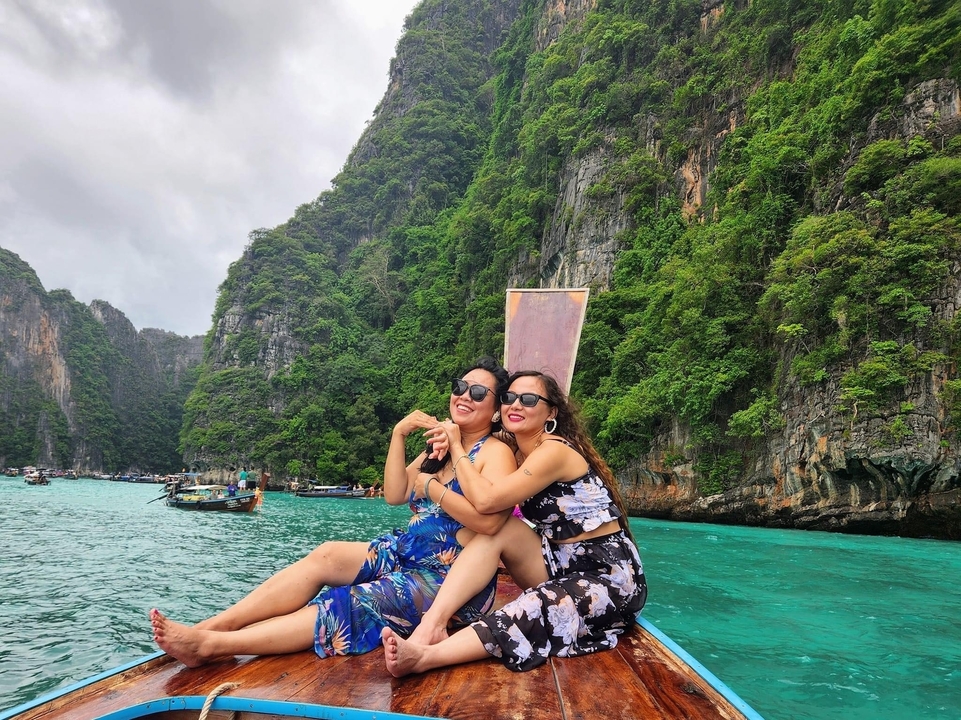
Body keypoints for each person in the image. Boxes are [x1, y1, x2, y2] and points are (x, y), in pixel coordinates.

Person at [150, 357, 517, 667]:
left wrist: (431, 485)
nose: (464, 396)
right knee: (327, 554)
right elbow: (394, 494)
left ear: (495, 410)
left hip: (446, 578)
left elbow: (490, 522)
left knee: (348, 602)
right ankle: (219, 624)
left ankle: (212, 647)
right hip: (404, 552)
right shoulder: (438, 447)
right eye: (460, 387)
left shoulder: (493, 453)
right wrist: (398, 436)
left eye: (478, 392)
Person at [382, 370, 647, 676]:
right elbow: (478, 441)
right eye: (509, 398)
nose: (516, 405)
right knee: (496, 530)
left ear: (551, 412)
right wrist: (446, 436)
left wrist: (451, 454)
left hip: (608, 576)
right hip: (557, 561)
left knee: (533, 604)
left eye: (529, 399)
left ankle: (426, 657)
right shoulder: (518, 446)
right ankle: (432, 626)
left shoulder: (554, 451)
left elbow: (486, 500)